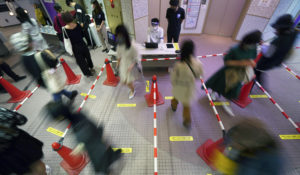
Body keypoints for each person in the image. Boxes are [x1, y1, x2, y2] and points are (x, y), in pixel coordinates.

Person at [46, 102, 122, 174]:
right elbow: (94, 129)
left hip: (97, 152)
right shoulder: (78, 115)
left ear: (60, 117)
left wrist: (77, 150)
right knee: (107, 158)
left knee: (103, 168)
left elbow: (85, 143)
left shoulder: (80, 129)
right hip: (99, 141)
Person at [205, 30, 262, 116]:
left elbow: (252, 58)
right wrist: (241, 63)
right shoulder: (235, 49)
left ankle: (227, 102)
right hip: (229, 71)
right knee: (219, 83)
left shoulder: (253, 48)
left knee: (234, 89)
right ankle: (213, 92)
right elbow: (226, 61)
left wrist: (250, 63)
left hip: (240, 72)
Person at [9, 32, 78, 102]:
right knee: (56, 91)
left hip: (40, 80)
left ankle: (69, 94)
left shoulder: (23, 58)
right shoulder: (39, 55)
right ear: (29, 44)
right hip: (49, 76)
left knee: (56, 88)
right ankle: (60, 108)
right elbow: (54, 62)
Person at [218, 118, 284, 175]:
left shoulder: (269, 160)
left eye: (237, 143)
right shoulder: (237, 131)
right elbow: (229, 139)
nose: (233, 145)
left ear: (248, 143)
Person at [0, 107, 51, 175]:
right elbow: (22, 120)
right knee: (35, 164)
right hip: (20, 145)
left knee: (21, 170)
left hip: (4, 156)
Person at [255, 14, 298, 86]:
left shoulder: (277, 41)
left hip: (269, 60)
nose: (275, 30)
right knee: (260, 71)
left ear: (282, 29)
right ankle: (260, 82)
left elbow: (268, 53)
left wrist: (262, 44)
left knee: (256, 69)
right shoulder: (293, 33)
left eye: (277, 28)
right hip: (279, 59)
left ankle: (254, 85)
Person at [170, 40, 203, 128]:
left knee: (176, 97)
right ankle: (187, 121)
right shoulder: (198, 63)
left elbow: (173, 78)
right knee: (186, 105)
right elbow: (200, 75)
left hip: (179, 86)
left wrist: (173, 84)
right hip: (190, 88)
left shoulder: (179, 65)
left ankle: (174, 106)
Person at [61, 11, 95, 77]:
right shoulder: (77, 24)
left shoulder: (64, 29)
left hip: (75, 47)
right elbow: (82, 35)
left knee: (81, 61)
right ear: (71, 17)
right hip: (82, 43)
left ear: (64, 20)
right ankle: (91, 67)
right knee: (88, 57)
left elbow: (66, 39)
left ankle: (87, 73)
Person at [115, 25, 141, 99]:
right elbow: (119, 55)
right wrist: (117, 64)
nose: (118, 37)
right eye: (117, 35)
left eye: (120, 35)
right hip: (123, 65)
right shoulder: (119, 44)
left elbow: (136, 58)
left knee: (128, 82)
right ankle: (132, 86)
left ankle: (133, 91)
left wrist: (131, 66)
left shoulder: (132, 45)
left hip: (130, 66)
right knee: (124, 81)